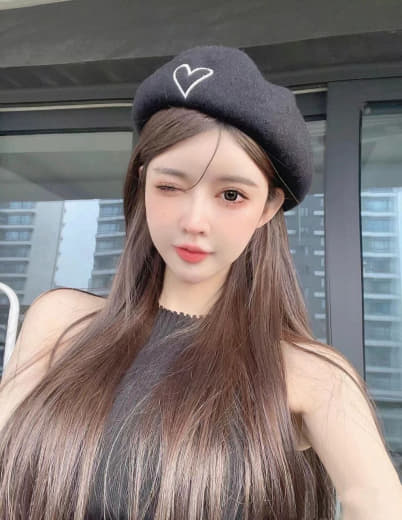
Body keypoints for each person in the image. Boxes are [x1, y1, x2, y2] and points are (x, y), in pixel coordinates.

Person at [0, 45, 401, 520]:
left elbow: (377, 502)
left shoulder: (307, 375)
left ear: (268, 207)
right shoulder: (60, 322)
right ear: (142, 183)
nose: (193, 221)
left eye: (231, 195)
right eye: (170, 187)